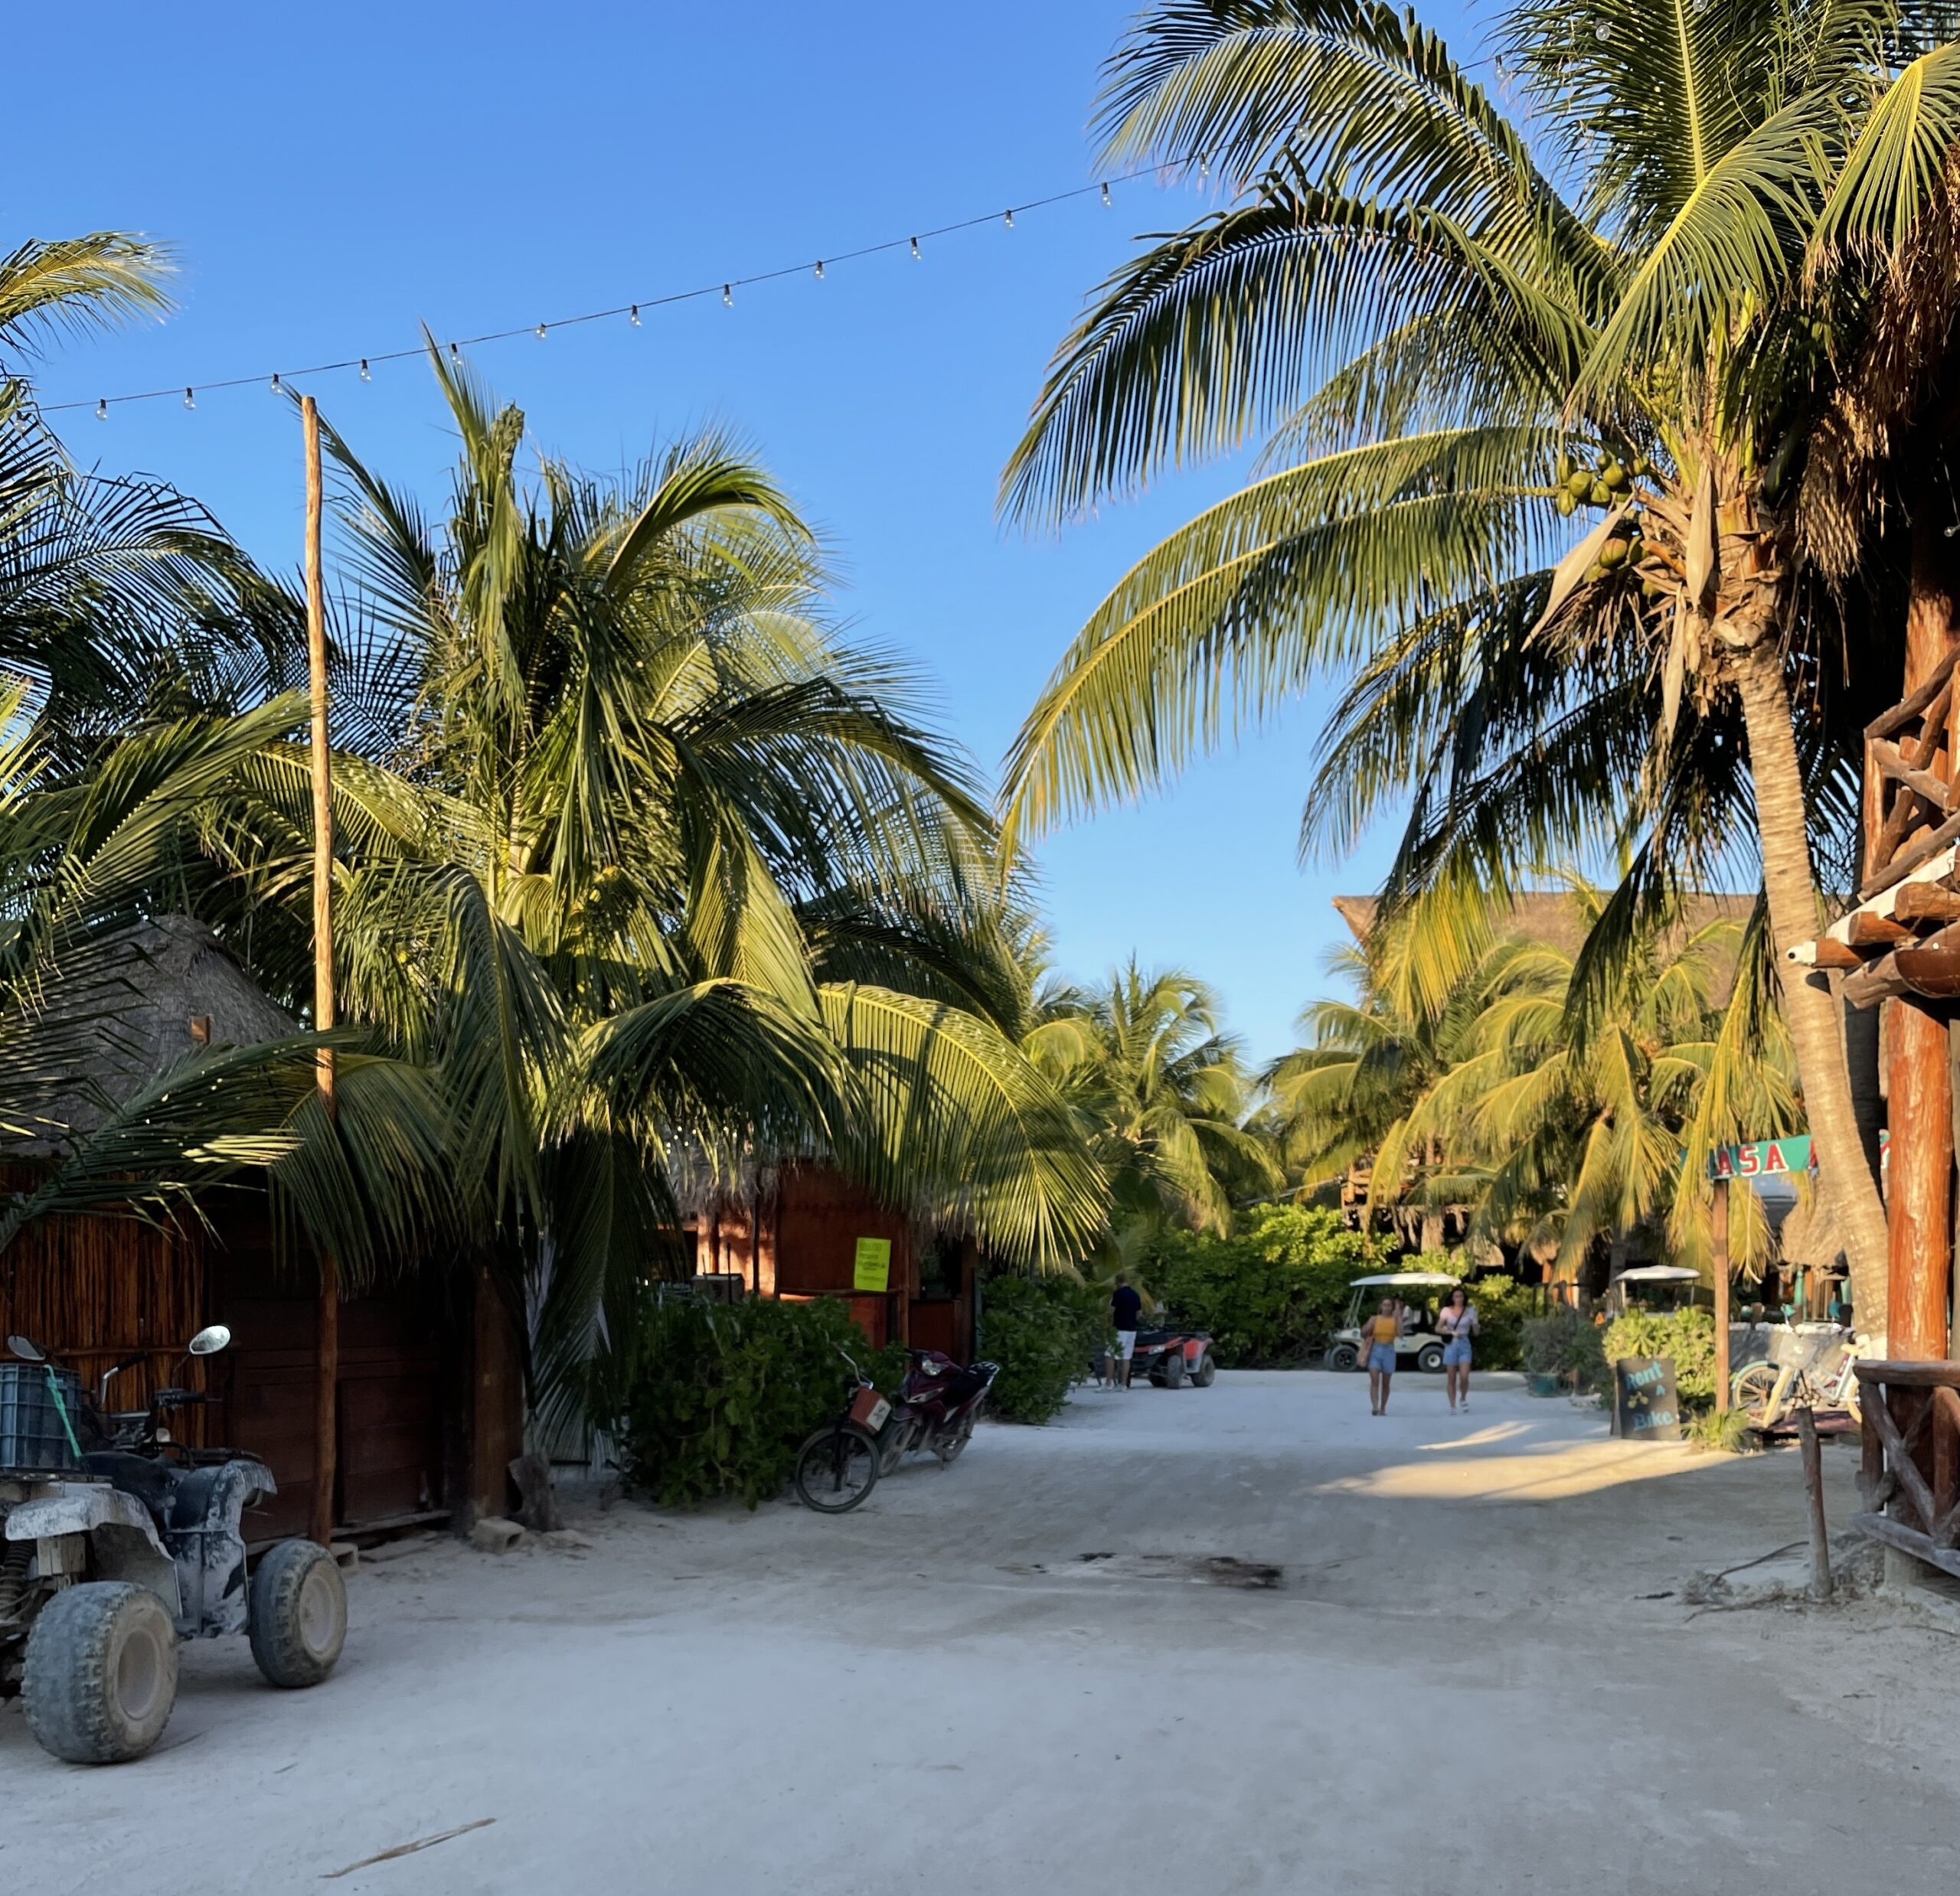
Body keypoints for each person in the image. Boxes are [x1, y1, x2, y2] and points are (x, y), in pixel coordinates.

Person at [1439, 1284, 1479, 1412]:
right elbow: (1437, 1328)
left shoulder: (1470, 1311)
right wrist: (1449, 1332)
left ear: (1464, 1298)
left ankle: (1463, 1397)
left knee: (1464, 1376)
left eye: (1461, 1296)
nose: (1459, 1299)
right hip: (1452, 1344)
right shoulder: (1446, 1310)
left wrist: (1476, 1322)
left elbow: (1476, 1332)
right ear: (1452, 1298)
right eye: (1456, 1296)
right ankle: (1452, 1405)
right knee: (1451, 1377)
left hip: (1465, 1343)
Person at [1363, 1296, 1400, 1415]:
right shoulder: (1374, 1319)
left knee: (1386, 1383)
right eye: (1385, 1305)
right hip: (1376, 1349)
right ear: (1381, 1306)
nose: (1387, 1307)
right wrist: (1367, 1328)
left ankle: (1383, 1407)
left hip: (1389, 1350)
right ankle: (1375, 1407)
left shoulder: (1394, 1319)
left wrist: (1398, 1318)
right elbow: (1363, 1333)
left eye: (1389, 1305)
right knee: (1374, 1379)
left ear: (1392, 1307)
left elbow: (1401, 1334)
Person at [1111, 1274, 1143, 1389]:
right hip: (1132, 1329)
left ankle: (1109, 1383)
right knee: (1126, 1357)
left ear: (1118, 1283)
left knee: (1110, 1355)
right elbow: (1139, 1314)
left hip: (1119, 1328)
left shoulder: (1118, 1294)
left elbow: (1111, 1310)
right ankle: (1123, 1384)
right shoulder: (1135, 1295)